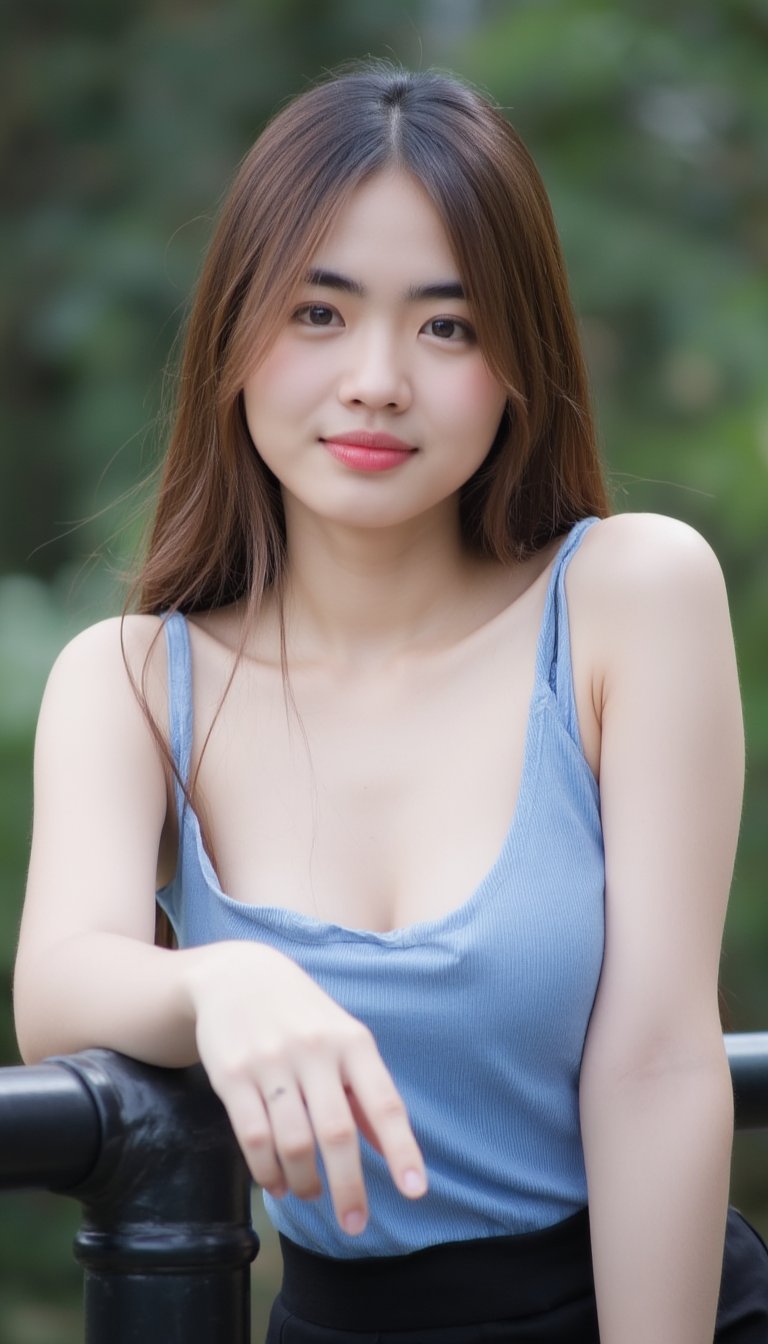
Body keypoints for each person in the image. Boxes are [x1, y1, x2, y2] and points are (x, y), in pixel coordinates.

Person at [13, 63, 768, 1343]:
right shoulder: (135, 680)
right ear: (234, 334)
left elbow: (655, 1061)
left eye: (448, 327)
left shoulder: (629, 598)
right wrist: (224, 983)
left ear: (520, 360)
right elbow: (59, 985)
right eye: (318, 312)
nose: (376, 379)